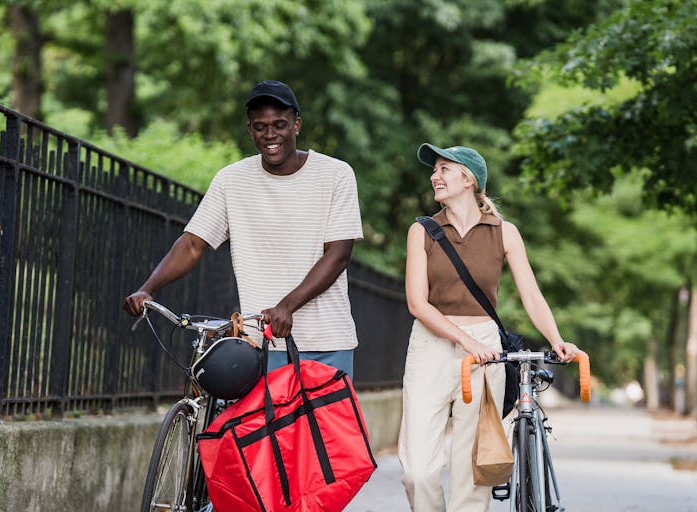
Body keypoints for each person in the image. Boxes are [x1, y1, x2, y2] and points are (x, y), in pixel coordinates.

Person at [123, 80, 363, 376]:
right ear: (250, 130)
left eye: (280, 124)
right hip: (259, 342)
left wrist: (287, 306)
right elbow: (193, 244)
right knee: (259, 424)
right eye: (260, 127)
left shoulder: (336, 174)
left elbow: (338, 254)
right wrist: (147, 289)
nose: (270, 134)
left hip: (327, 341)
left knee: (326, 425)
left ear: (297, 125)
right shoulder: (231, 180)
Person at [399, 143, 581, 511]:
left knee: (472, 468)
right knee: (417, 470)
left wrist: (557, 339)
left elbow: (531, 295)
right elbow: (417, 304)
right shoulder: (422, 231)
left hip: (485, 350)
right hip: (432, 347)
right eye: (434, 169)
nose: (435, 176)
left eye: (444, 169)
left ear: (469, 179)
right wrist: (465, 340)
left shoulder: (504, 232)